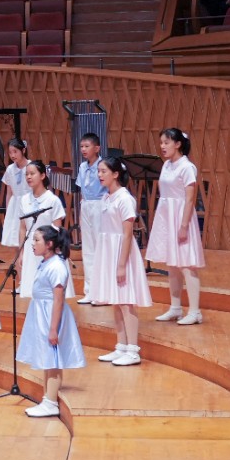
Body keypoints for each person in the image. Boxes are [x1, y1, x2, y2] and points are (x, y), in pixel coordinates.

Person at [15, 225, 86, 418]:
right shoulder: (46, 262)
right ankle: (47, 398)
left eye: (37, 240)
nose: (33, 244)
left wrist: (53, 329)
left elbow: (58, 299)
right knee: (47, 358)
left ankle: (51, 402)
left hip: (50, 315)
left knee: (53, 359)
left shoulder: (56, 266)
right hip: (41, 313)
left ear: (49, 244)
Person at [95, 155, 151, 366]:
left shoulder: (125, 199)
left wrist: (121, 265)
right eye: (98, 171)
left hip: (122, 253)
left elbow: (127, 235)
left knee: (126, 302)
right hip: (108, 251)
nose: (100, 175)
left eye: (104, 171)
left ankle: (133, 351)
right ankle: (121, 346)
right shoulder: (106, 197)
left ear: (116, 174)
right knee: (116, 302)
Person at [147, 127, 205, 325]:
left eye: (166, 142)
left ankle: (195, 312)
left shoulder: (187, 167)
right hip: (166, 216)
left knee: (187, 265)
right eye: (161, 142)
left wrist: (184, 226)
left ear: (178, 144)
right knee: (172, 265)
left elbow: (190, 199)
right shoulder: (166, 165)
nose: (162, 146)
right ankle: (175, 307)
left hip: (181, 217)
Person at [15, 160, 70, 299]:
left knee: (48, 294)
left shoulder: (53, 200)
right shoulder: (24, 200)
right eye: (26, 174)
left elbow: (57, 229)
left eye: (32, 173)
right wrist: (21, 252)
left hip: (48, 248)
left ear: (42, 175)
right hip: (31, 247)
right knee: (31, 293)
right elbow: (23, 228)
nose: (28, 177)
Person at [74, 133, 106, 304]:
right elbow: (82, 189)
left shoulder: (103, 166)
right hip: (86, 205)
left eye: (87, 146)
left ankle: (103, 292)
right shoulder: (82, 167)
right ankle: (90, 290)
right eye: (82, 146)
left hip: (100, 205)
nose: (83, 149)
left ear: (97, 148)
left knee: (100, 247)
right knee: (88, 249)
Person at [0, 139, 31, 254]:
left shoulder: (31, 166)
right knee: (16, 238)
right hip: (15, 205)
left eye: (15, 151)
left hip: (29, 203)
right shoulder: (10, 169)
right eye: (10, 152)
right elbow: (9, 193)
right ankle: (19, 262)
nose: (12, 155)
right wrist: (8, 211)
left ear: (23, 150)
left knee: (30, 235)